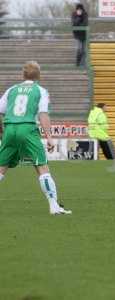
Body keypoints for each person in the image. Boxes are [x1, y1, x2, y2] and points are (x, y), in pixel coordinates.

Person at [0, 61, 71, 215]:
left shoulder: (12, 89)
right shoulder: (40, 91)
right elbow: (43, 114)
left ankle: (55, 206)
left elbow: (0, 110)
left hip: (10, 128)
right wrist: (50, 138)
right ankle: (54, 207)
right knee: (42, 167)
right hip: (28, 128)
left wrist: (2, 132)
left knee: (1, 168)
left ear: (22, 75)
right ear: (39, 75)